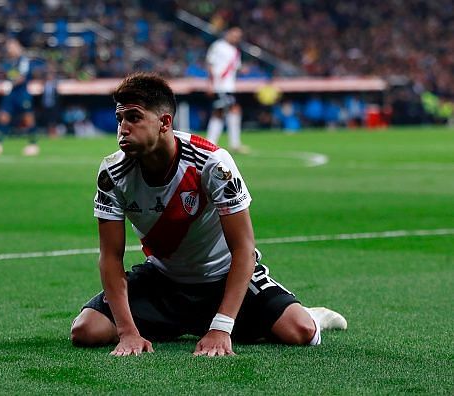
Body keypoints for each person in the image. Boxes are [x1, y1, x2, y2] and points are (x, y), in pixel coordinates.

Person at [70, 73, 347, 357]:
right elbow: (111, 258)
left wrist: (222, 327)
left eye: (134, 118)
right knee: (86, 330)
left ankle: (314, 315)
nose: (123, 128)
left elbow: (244, 249)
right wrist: (128, 332)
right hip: (164, 281)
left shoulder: (212, 163)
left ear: (165, 122)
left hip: (223, 278)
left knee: (299, 331)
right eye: (120, 119)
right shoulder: (112, 173)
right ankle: (183, 320)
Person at [0, 37, 39, 156]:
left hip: (21, 93)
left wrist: (9, 84)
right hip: (11, 94)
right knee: (3, 116)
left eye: (12, 46)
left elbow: (22, 77)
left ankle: (33, 144)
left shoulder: (23, 60)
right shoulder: (9, 62)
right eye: (8, 46)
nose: (9, 49)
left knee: (27, 118)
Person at [205, 27, 249, 154]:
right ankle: (233, 144)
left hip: (229, 86)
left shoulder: (235, 51)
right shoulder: (218, 46)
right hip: (220, 86)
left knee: (221, 112)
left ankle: (212, 143)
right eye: (234, 34)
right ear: (228, 33)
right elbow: (210, 64)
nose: (236, 38)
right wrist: (210, 84)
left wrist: (243, 70)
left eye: (238, 36)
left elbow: (235, 68)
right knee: (231, 110)